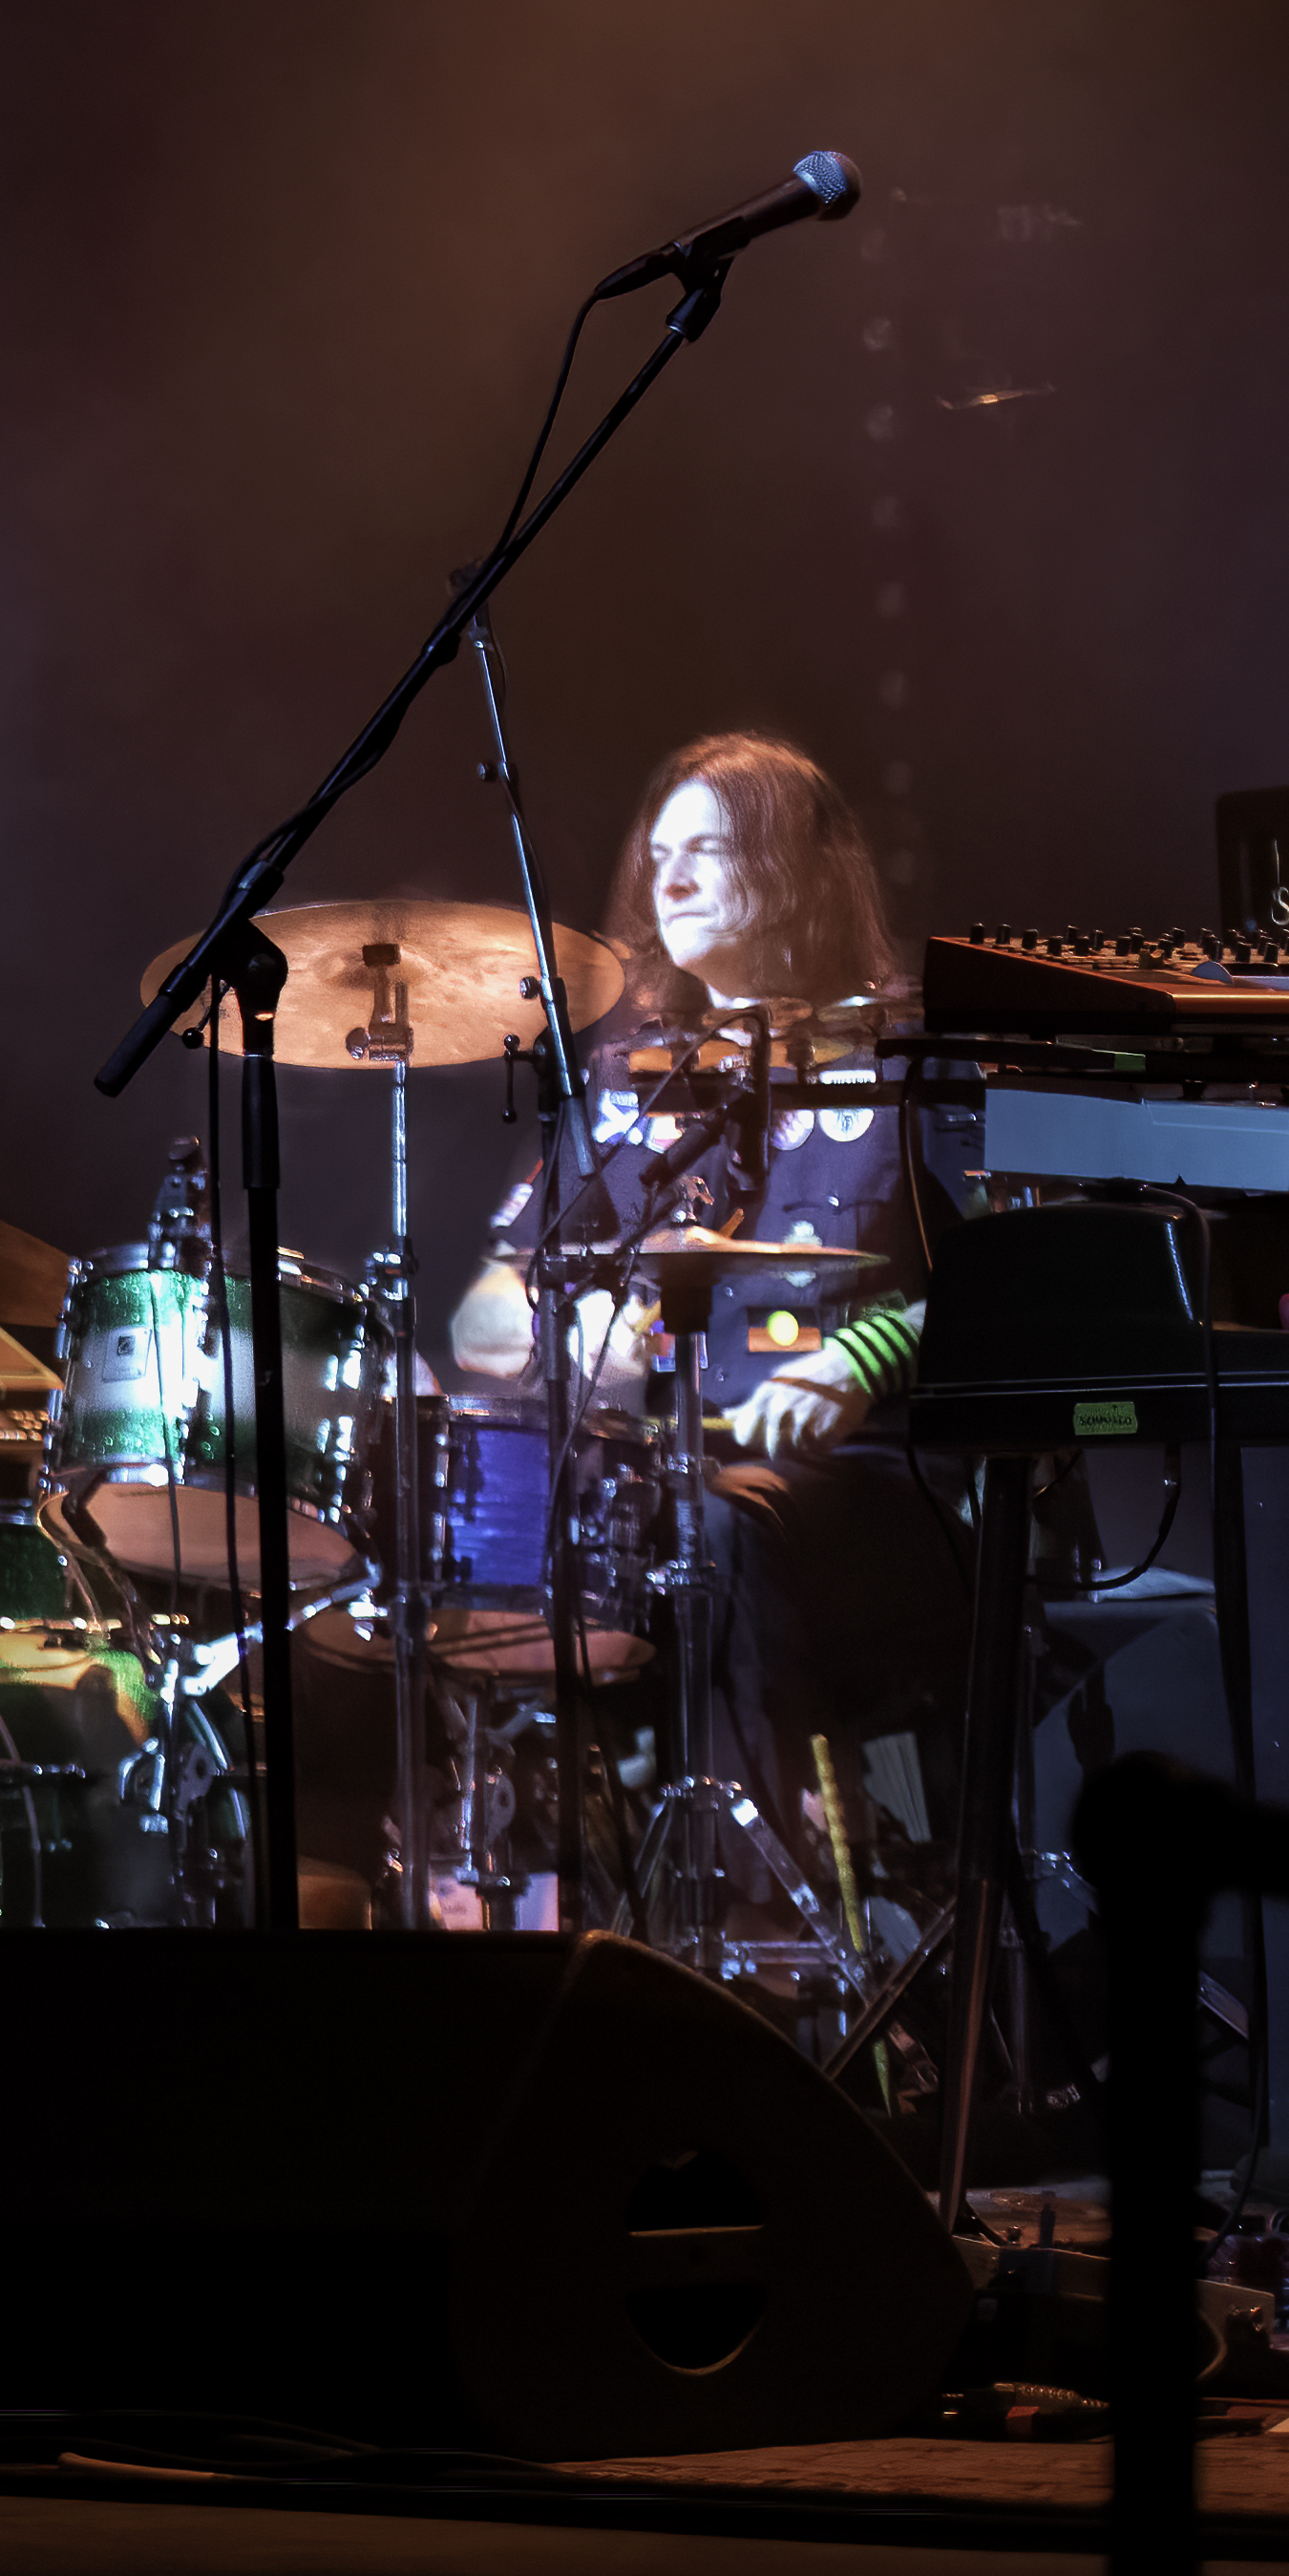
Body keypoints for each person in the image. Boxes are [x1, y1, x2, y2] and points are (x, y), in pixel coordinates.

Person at [449, 734, 966, 1890]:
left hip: (886, 1493)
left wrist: (863, 1358)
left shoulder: (912, 1059)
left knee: (719, 1532)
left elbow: (1020, 1283)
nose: (666, 880)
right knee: (466, 1524)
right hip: (671, 1484)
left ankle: (762, 1932)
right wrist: (561, 1333)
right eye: (659, 853)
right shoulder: (641, 1080)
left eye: (707, 852)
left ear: (789, 866)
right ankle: (526, 1899)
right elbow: (486, 1306)